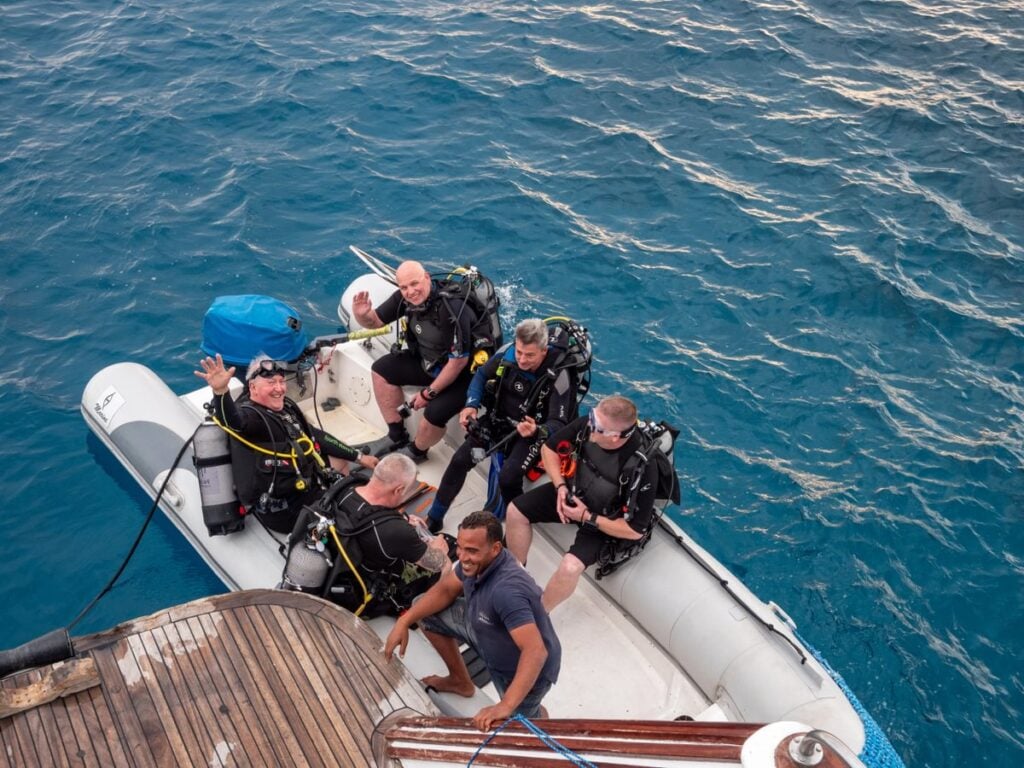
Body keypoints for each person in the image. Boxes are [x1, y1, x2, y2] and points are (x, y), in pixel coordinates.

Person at [383, 511, 560, 731]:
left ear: (495, 549)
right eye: (460, 547)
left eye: (472, 551)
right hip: (485, 627)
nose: (463, 557)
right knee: (424, 609)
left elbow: (535, 651)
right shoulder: (476, 564)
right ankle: (460, 681)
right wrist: (404, 620)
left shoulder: (507, 591)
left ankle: (537, 718)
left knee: (523, 724)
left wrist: (504, 706)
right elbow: (447, 589)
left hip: (521, 665)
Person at [504, 395, 658, 612]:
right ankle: (513, 579)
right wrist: (560, 487)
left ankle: (538, 614)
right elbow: (549, 449)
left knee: (570, 567)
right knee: (515, 511)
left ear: (615, 437)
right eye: (592, 417)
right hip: (572, 495)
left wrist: (587, 517)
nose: (590, 426)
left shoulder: (643, 467)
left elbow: (635, 530)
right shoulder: (590, 424)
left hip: (602, 521)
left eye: (597, 426)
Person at [425, 318, 578, 533]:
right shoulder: (508, 353)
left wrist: (537, 429)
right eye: (520, 352)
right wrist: (471, 405)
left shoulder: (560, 373)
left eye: (530, 355)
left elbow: (559, 422)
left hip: (530, 434)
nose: (522, 360)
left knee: (508, 477)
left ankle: (515, 528)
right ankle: (434, 517)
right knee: (460, 460)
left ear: (544, 351)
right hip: (499, 420)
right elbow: (480, 376)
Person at [195, 353, 377, 533]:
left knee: (340, 462)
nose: (280, 388)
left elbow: (314, 436)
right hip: (286, 510)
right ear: (253, 387)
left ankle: (338, 499)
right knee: (362, 507)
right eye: (271, 383)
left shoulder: (284, 408)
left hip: (304, 483)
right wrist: (220, 392)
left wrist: (360, 458)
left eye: (281, 382)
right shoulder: (252, 418)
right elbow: (231, 422)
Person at [351, 260, 475, 463]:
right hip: (430, 361)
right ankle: (396, 436)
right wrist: (362, 316)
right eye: (404, 287)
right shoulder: (404, 298)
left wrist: (428, 393)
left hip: (463, 374)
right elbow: (375, 321)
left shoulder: (451, 307)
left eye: (415, 284)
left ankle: (417, 451)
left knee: (434, 413)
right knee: (381, 370)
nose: (410, 292)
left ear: (427, 277)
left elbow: (459, 361)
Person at [329, 453, 452, 614]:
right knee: (449, 562)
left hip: (337, 565)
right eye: (408, 489)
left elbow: (368, 513)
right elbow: (436, 564)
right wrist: (440, 550)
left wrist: (398, 518)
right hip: (364, 591)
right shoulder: (396, 531)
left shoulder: (346, 489)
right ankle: (439, 610)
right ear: (398, 490)